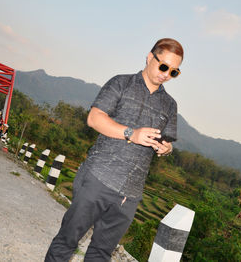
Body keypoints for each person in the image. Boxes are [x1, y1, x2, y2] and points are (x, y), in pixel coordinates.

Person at [45, 38, 184, 262]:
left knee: (101, 253)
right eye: (164, 66)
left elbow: (167, 143)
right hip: (98, 178)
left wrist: (165, 149)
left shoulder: (170, 105)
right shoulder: (121, 83)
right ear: (150, 57)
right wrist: (132, 133)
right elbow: (94, 118)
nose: (166, 74)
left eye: (174, 72)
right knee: (67, 241)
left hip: (131, 194)